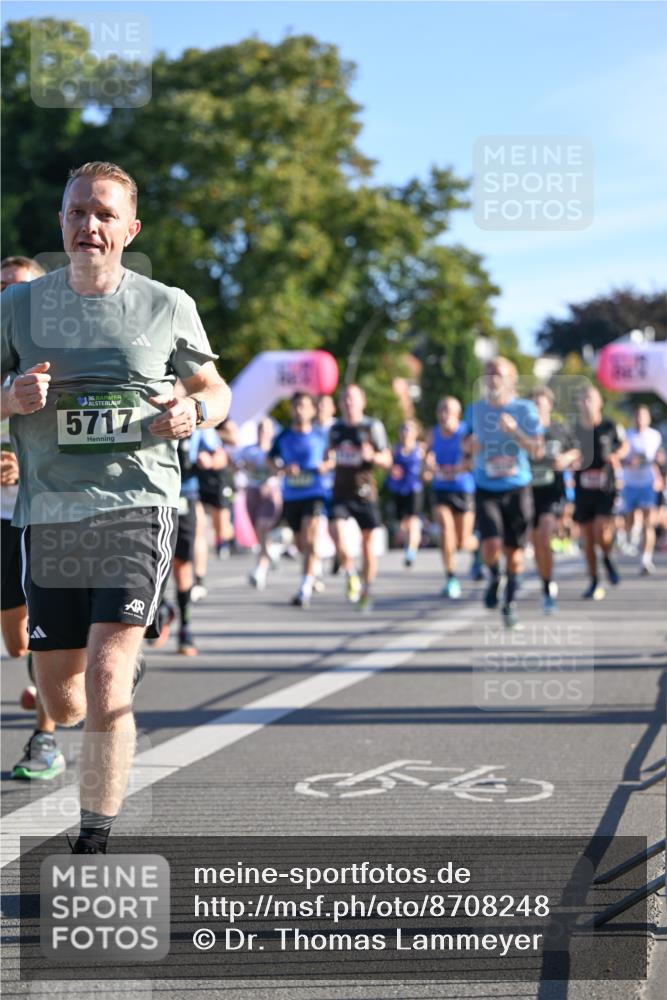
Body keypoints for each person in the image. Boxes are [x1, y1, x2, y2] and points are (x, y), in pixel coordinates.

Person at [1, 161, 230, 853]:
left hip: (137, 502)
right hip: (49, 512)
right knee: (63, 701)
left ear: (129, 229)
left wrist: (193, 412)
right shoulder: (19, 307)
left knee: (105, 674)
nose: (87, 225)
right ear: (61, 223)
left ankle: (94, 832)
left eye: (103, 213)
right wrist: (9, 398)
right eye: (76, 212)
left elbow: (214, 390)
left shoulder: (166, 304)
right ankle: (109, 671)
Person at [1, 255, 65, 780]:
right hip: (2, 521)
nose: (8, 297)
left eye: (20, 289)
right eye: (1, 288)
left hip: (44, 510)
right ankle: (44, 677)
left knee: (42, 634)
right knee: (18, 640)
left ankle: (45, 738)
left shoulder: (61, 353)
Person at [463, 358, 543, 628]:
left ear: (511, 379)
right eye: (488, 373)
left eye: (498, 373)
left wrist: (515, 433)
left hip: (517, 488)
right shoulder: (475, 410)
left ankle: (509, 604)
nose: (492, 378)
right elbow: (464, 443)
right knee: (490, 545)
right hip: (486, 487)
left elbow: (537, 450)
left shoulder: (524, 409)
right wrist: (470, 446)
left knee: (515, 554)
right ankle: (494, 578)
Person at [327, 384, 392, 612]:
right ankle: (351, 571)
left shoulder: (372, 427)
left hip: (365, 492)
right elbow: (328, 457)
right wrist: (327, 462)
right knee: (337, 533)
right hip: (340, 492)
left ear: (362, 402)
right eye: (345, 399)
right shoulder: (335, 429)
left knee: (367, 544)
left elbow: (387, 459)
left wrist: (372, 456)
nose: (348, 403)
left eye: (352, 399)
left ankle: (366, 589)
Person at [269, 393, 331, 607]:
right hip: (292, 495)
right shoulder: (283, 436)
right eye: (296, 406)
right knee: (301, 543)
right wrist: (282, 469)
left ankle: (304, 589)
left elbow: (331, 458)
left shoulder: (321, 435)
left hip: (314, 493)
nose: (299, 410)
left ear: (313, 410)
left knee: (311, 539)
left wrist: (326, 466)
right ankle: (314, 567)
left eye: (304, 406)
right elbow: (270, 460)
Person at [572, 386, 627, 599]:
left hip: (605, 488)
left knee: (600, 531)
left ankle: (607, 555)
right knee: (587, 538)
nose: (586, 403)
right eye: (582, 399)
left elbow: (624, 445)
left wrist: (616, 455)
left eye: (590, 399)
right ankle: (594, 580)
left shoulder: (610, 425)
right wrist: (571, 459)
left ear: (599, 403)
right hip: (583, 488)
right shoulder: (575, 428)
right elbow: (567, 449)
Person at [529, 386, 581, 613]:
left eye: (541, 405)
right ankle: (546, 580)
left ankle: (547, 587)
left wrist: (565, 458)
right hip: (528, 493)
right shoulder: (522, 432)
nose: (537, 409)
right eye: (533, 405)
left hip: (552, 492)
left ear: (549, 406)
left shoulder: (559, 430)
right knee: (537, 544)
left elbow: (576, 450)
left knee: (545, 532)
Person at [426, 397, 477, 598]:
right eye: (441, 410)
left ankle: (477, 550)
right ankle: (451, 578)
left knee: (462, 542)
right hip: (441, 489)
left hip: (463, 489)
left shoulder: (465, 433)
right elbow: (426, 460)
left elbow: (475, 460)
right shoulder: (433, 434)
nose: (445, 414)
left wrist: (459, 468)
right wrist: (428, 465)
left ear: (457, 413)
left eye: (449, 410)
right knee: (446, 530)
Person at [238, 417, 282, 590]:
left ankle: (261, 569)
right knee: (259, 532)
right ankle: (270, 555)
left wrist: (270, 467)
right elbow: (234, 463)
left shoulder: (275, 450)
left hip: (270, 492)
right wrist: (244, 466)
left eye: (266, 429)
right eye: (260, 429)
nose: (263, 432)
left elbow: (281, 471)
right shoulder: (248, 450)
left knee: (263, 526)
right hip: (252, 492)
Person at [621, 404, 663, 575]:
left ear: (648, 418)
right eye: (637, 416)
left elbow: (657, 459)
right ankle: (633, 533)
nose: (640, 419)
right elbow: (620, 457)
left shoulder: (655, 436)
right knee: (630, 519)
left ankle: (646, 559)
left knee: (649, 521)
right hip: (630, 483)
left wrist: (660, 476)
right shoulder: (627, 435)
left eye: (643, 416)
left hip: (647, 483)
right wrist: (627, 462)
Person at [386, 419, 424, 567]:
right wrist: (391, 470)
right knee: (402, 525)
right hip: (398, 490)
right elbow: (388, 466)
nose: (405, 432)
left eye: (409, 429)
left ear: (416, 433)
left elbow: (429, 466)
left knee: (413, 521)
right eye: (403, 429)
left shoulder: (420, 449)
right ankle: (409, 543)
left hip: (414, 489)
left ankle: (411, 551)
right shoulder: (394, 450)